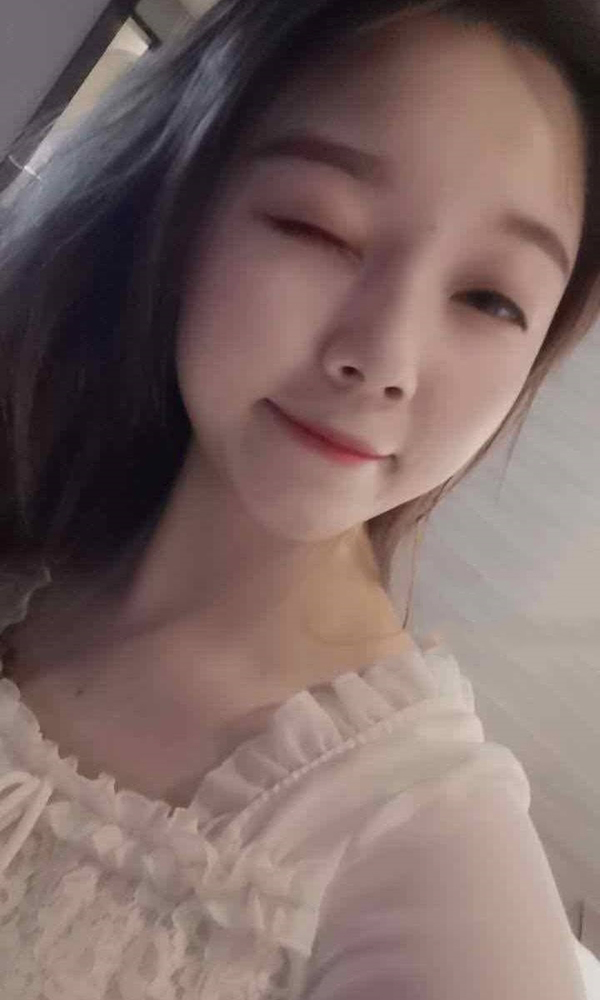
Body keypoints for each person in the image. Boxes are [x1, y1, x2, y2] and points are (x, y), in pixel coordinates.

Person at [0, 0, 598, 996]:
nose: (385, 357)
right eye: (319, 226)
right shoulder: (35, 534)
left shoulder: (424, 863)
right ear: (183, 202)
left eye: (490, 297)